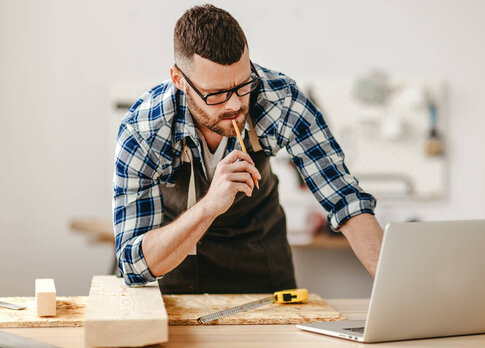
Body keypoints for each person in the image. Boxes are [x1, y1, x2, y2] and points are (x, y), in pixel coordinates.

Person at [112, 4, 383, 294]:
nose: (234, 106)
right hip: (175, 273)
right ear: (179, 79)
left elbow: (345, 201)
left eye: (243, 85)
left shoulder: (278, 101)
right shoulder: (144, 130)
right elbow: (133, 265)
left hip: (262, 269)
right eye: (216, 94)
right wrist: (209, 205)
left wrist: (402, 294)